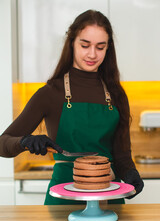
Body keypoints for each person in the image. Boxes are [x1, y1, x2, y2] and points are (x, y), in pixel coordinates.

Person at [0, 9, 144, 204]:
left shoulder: (116, 94)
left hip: (108, 198)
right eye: (85, 45)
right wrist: (25, 141)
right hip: (63, 200)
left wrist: (130, 173)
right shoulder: (51, 93)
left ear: (108, 48)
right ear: (72, 43)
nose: (92, 54)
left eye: (100, 47)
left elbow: (121, 157)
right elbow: (3, 144)